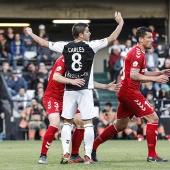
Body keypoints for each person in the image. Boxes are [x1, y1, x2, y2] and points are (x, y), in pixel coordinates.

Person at [25, 11, 124, 164]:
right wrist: (120, 23)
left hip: (69, 92)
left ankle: (71, 154)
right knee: (76, 122)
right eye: (87, 31)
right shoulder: (87, 48)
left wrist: (31, 34)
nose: (90, 33)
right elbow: (57, 77)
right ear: (80, 35)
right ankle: (46, 155)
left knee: (73, 122)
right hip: (57, 94)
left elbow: (44, 43)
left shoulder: (65, 47)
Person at [91, 26, 170, 163]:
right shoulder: (137, 54)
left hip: (126, 92)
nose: (152, 40)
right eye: (149, 37)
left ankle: (93, 146)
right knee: (153, 118)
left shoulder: (139, 52)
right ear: (140, 39)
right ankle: (152, 155)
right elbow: (134, 76)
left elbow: (141, 73)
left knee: (120, 125)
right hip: (130, 92)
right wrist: (155, 79)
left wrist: (158, 73)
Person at [24, 55, 120, 164]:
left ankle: (74, 155)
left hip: (68, 97)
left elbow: (86, 82)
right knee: (55, 123)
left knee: (81, 122)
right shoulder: (63, 59)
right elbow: (56, 76)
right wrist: (72, 81)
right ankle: (43, 155)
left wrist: (106, 87)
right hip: (53, 96)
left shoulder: (81, 63)